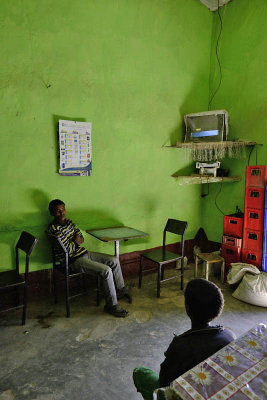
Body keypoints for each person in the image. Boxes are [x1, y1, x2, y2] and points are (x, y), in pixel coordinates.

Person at [133, 278, 235, 400]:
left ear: (187, 308)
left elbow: (165, 383)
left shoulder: (181, 345)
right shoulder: (229, 335)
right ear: (219, 308)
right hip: (213, 389)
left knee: (139, 373)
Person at [47, 199, 131, 318]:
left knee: (114, 260)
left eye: (63, 210)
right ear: (52, 213)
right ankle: (111, 306)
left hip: (83, 253)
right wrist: (75, 241)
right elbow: (68, 251)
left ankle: (120, 290)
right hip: (72, 260)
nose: (62, 213)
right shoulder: (53, 229)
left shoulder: (69, 222)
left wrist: (75, 241)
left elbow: (81, 239)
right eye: (58, 211)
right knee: (106, 270)